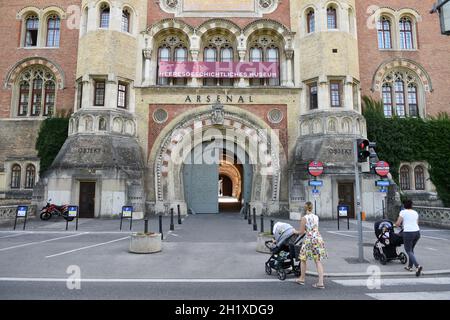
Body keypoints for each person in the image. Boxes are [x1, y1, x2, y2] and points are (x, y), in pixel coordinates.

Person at [294, 202, 327, 289]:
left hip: (309, 239)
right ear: (312, 208)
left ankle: (302, 278)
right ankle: (320, 283)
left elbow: (301, 232)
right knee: (318, 261)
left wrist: (294, 231)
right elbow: (314, 229)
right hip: (318, 238)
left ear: (305, 209)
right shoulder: (316, 217)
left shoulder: (304, 218)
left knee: (303, 258)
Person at [394, 199, 423, 277]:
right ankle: (409, 266)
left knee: (408, 250)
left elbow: (397, 223)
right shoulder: (415, 212)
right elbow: (416, 223)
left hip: (408, 233)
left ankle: (417, 266)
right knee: (411, 250)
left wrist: (397, 225)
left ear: (404, 205)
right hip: (417, 233)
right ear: (411, 205)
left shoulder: (403, 212)